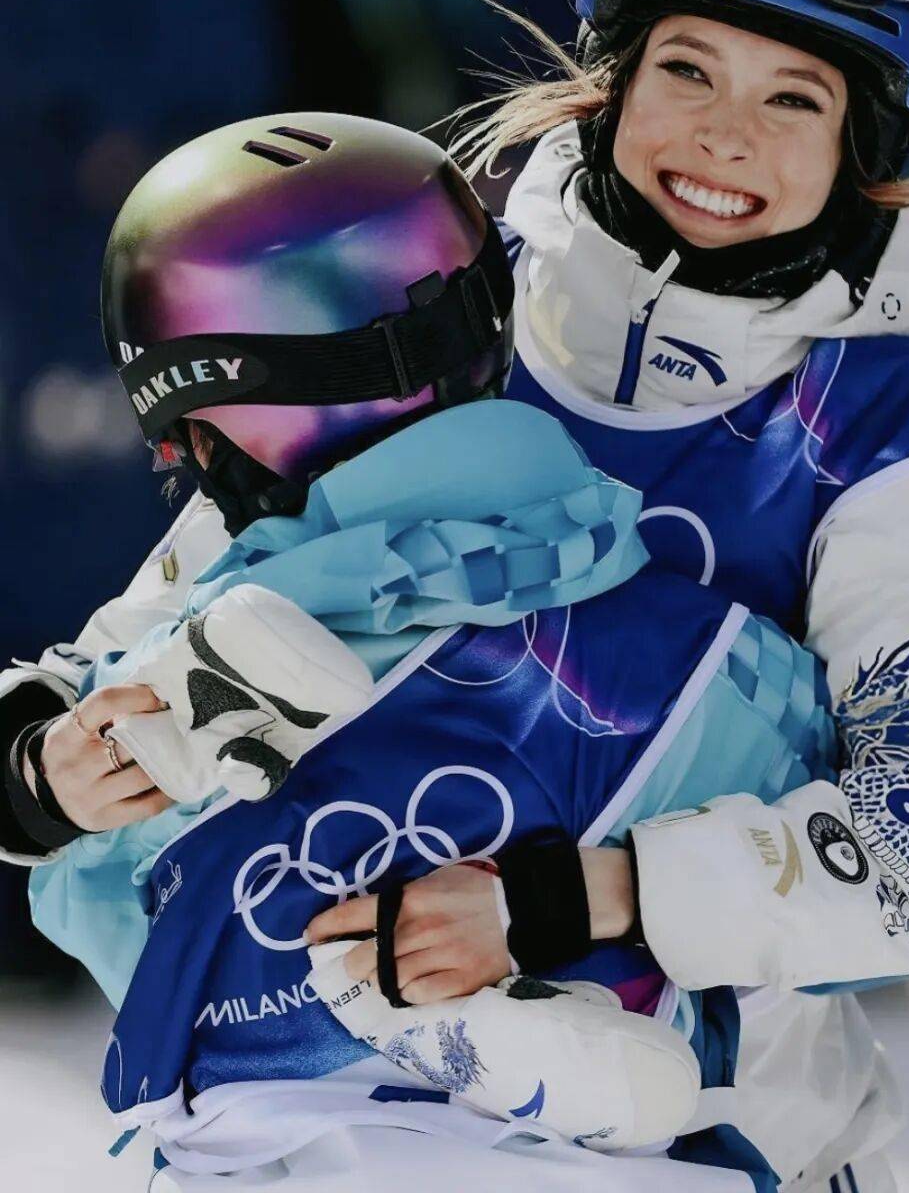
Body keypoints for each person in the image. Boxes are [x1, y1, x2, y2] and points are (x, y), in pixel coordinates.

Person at [0, 0, 909, 1193]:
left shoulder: (892, 426)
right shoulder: (440, 298)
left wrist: (566, 903)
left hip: (703, 1136)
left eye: (794, 99)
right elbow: (197, 600)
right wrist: (50, 766)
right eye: (688, 69)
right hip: (298, 1110)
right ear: (612, 81)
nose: (727, 136)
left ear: (860, 141)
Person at [3, 112, 841, 1191]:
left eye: (195, 428)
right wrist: (42, 774)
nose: (185, 462)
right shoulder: (714, 667)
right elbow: (872, 906)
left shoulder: (210, 618)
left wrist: (564, 903)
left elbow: (110, 915)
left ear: (283, 397)